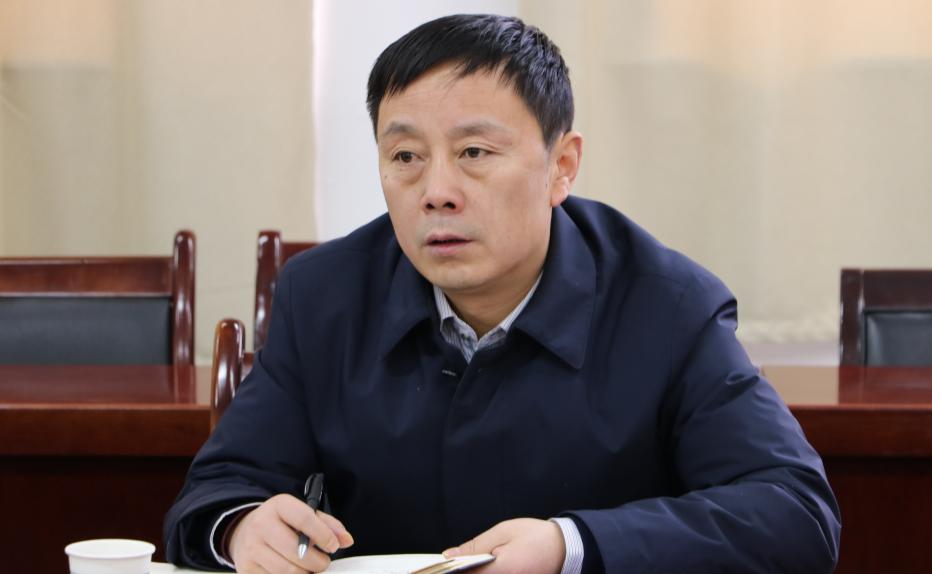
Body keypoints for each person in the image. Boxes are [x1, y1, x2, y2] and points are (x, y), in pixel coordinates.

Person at [165, 14, 840, 574]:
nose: (437, 191)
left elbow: (794, 513)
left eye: (475, 153)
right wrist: (241, 528)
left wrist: (571, 546)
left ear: (561, 167)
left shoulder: (667, 305)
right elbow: (219, 490)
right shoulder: (324, 296)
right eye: (405, 157)